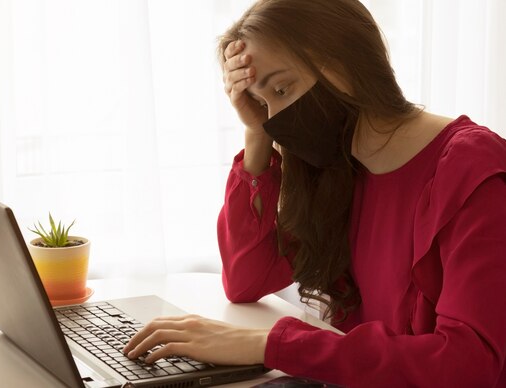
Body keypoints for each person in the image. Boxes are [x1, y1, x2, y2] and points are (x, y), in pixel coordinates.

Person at [123, 0, 506, 386]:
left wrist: (270, 345)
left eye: (282, 88)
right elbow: (245, 281)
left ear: (345, 63)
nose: (276, 118)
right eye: (261, 101)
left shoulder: (471, 169)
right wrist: (257, 134)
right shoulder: (338, 167)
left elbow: (469, 364)